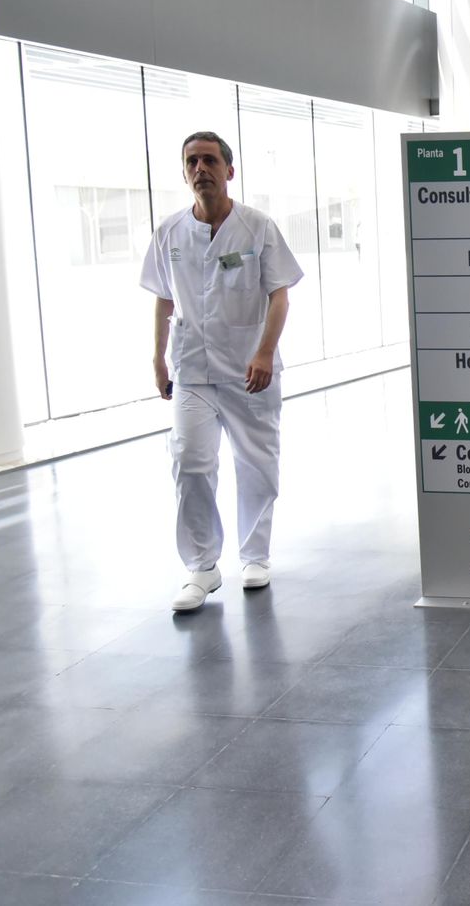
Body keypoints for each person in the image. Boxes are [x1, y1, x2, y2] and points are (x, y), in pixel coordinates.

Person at [141, 132, 303, 612]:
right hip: (191, 368)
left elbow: (279, 294)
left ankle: (255, 555)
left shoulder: (257, 228)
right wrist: (156, 357)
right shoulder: (169, 232)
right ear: (184, 171)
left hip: (248, 368)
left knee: (256, 464)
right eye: (192, 161)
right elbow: (163, 299)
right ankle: (201, 566)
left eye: (210, 160)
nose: (200, 168)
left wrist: (264, 352)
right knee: (190, 461)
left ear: (229, 170)